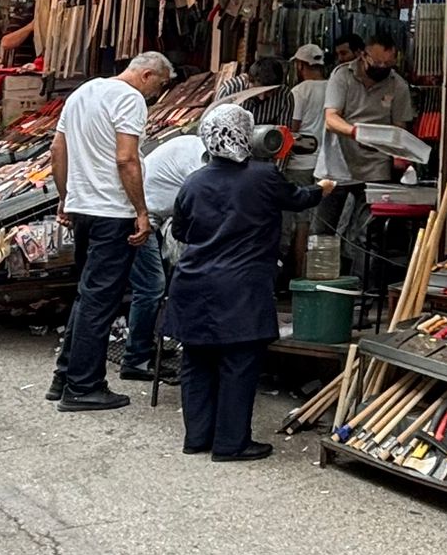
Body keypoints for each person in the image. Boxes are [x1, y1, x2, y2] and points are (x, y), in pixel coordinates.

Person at [169, 105, 319, 460]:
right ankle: (231, 443)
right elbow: (298, 199)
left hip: (193, 284)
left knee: (197, 361)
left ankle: (198, 437)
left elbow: (180, 231)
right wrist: (323, 189)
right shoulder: (263, 176)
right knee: (238, 364)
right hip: (240, 287)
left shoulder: (193, 182)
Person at [46, 51, 174, 412]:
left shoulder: (83, 93)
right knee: (100, 300)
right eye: (160, 85)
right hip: (111, 211)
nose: (157, 93)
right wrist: (141, 210)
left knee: (88, 295)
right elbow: (126, 158)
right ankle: (83, 387)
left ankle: (65, 377)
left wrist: (66, 197)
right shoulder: (129, 98)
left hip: (85, 206)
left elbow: (59, 150)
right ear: (147, 75)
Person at [119, 133, 206, 383]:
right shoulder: (197, 160)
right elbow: (201, 204)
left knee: (154, 284)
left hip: (148, 217)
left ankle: (144, 346)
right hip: (140, 219)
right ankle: (135, 359)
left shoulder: (193, 147)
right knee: (151, 286)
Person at [314, 35, 416, 236]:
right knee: (322, 232)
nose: (382, 67)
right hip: (336, 164)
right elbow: (331, 118)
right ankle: (323, 267)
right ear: (363, 56)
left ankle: (360, 267)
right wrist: (356, 133)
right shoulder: (342, 76)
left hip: (375, 167)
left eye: (388, 63)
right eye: (377, 62)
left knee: (367, 234)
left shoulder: (398, 85)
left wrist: (400, 157)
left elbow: (399, 128)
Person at [288, 43, 327, 131]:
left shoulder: (299, 91)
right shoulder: (333, 87)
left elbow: (293, 127)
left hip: (306, 143)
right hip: (330, 145)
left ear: (300, 65)